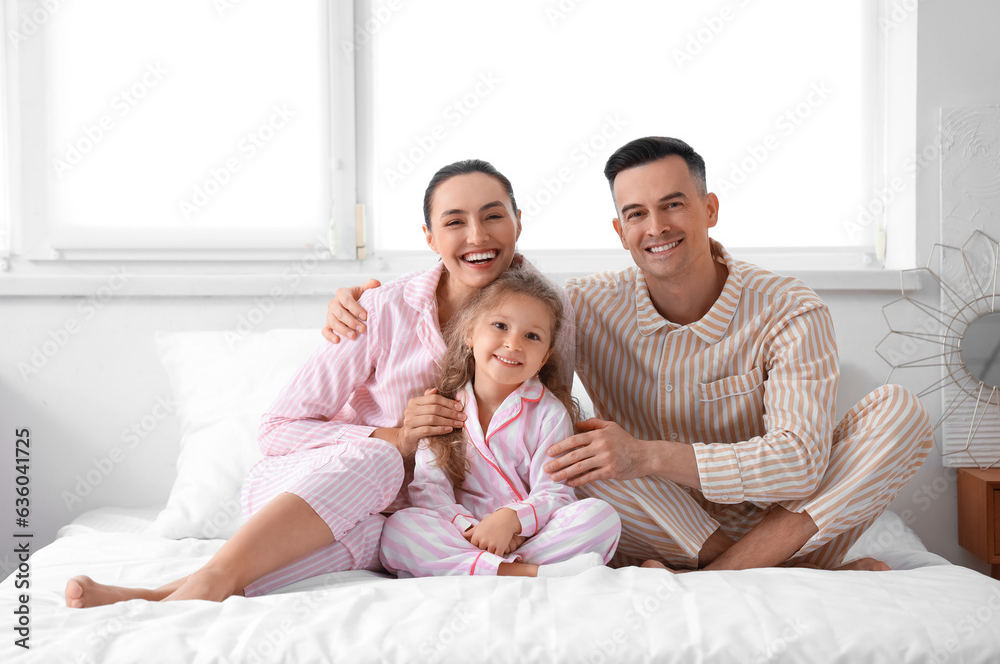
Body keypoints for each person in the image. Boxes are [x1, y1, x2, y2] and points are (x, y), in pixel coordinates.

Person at [323, 137, 934, 573]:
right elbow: (500, 313)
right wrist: (371, 302)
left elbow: (800, 464)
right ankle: (797, 568)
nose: (656, 226)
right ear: (619, 230)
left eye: (673, 204)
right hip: (660, 517)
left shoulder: (788, 309)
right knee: (579, 458)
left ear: (709, 208)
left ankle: (732, 573)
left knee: (901, 413)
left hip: (790, 508)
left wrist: (647, 452)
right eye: (635, 213)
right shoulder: (586, 306)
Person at [65, 159, 576, 608]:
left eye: (493, 215)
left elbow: (538, 428)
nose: (477, 236)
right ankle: (214, 576)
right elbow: (277, 429)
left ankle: (161, 594)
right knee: (379, 461)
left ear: (518, 222)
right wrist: (393, 438)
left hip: (406, 512)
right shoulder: (376, 310)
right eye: (454, 222)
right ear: (429, 237)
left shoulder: (546, 318)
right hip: (310, 486)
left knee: (387, 534)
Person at [380, 269, 621, 577]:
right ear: (470, 333)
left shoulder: (549, 413)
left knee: (600, 517)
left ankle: (483, 569)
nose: (513, 344)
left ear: (545, 357)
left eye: (531, 336)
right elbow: (430, 490)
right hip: (463, 535)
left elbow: (554, 494)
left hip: (527, 536)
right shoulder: (442, 406)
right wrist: (471, 529)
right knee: (399, 530)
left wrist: (511, 521)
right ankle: (524, 573)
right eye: (500, 326)